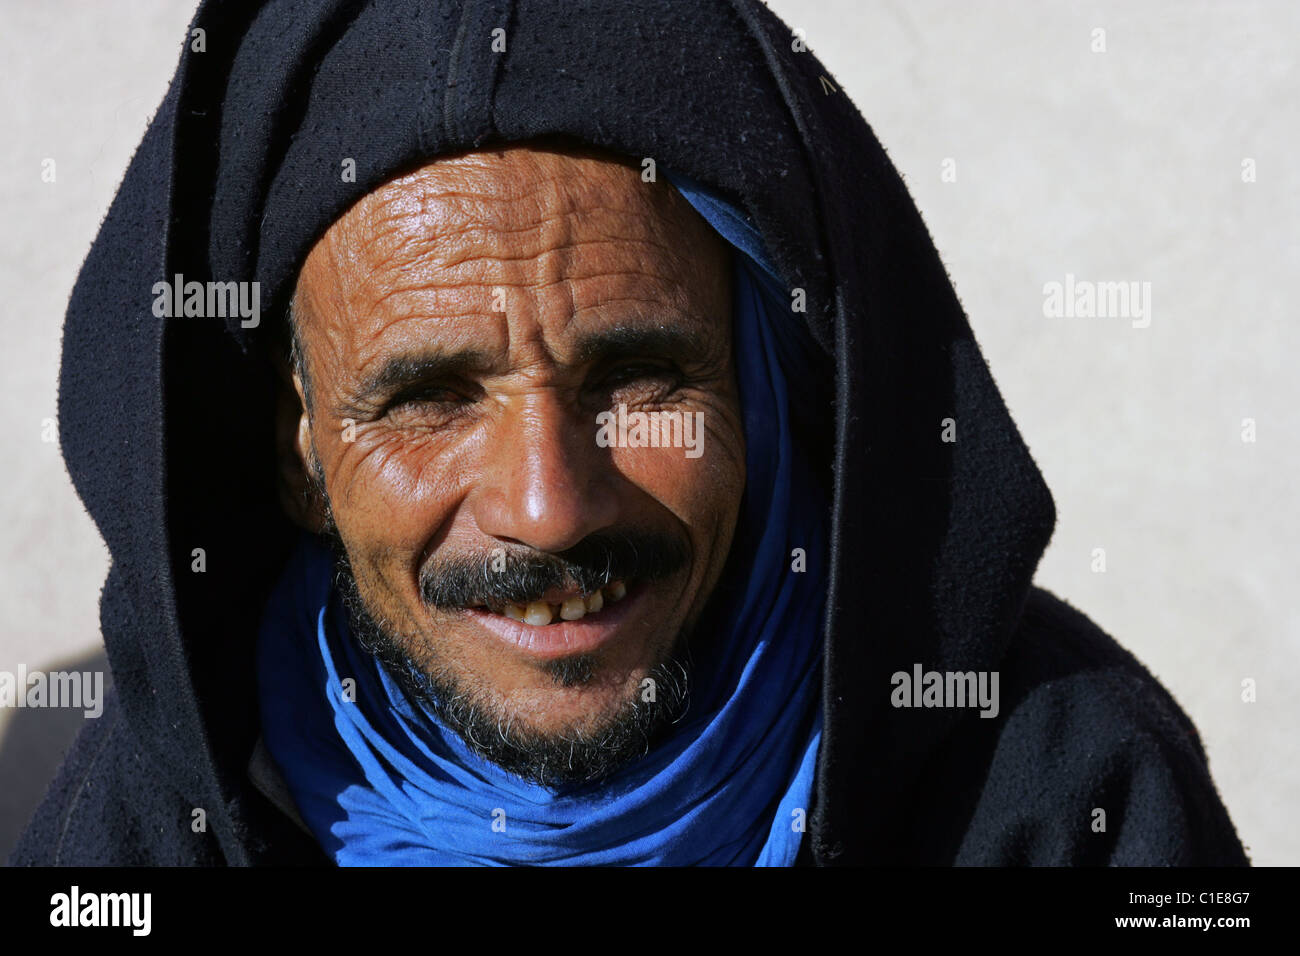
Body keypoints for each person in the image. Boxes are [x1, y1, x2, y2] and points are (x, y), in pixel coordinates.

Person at [10, 0, 1247, 866]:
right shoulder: (149, 829)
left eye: (640, 376)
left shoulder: (1058, 789)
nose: (548, 506)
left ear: (768, 387)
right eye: (428, 398)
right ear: (297, 453)